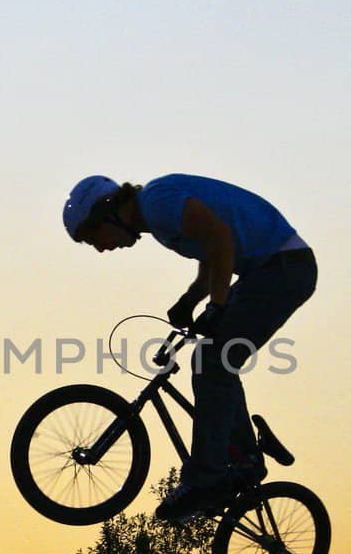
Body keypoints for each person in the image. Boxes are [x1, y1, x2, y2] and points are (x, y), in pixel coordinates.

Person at [62, 174, 315, 519]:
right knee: (215, 361)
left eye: (94, 238)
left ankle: (205, 478)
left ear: (108, 212)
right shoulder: (159, 218)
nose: (101, 249)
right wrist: (191, 299)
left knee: (212, 362)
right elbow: (212, 253)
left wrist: (217, 305)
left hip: (283, 269)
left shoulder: (157, 203)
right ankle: (243, 457)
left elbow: (221, 237)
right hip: (269, 270)